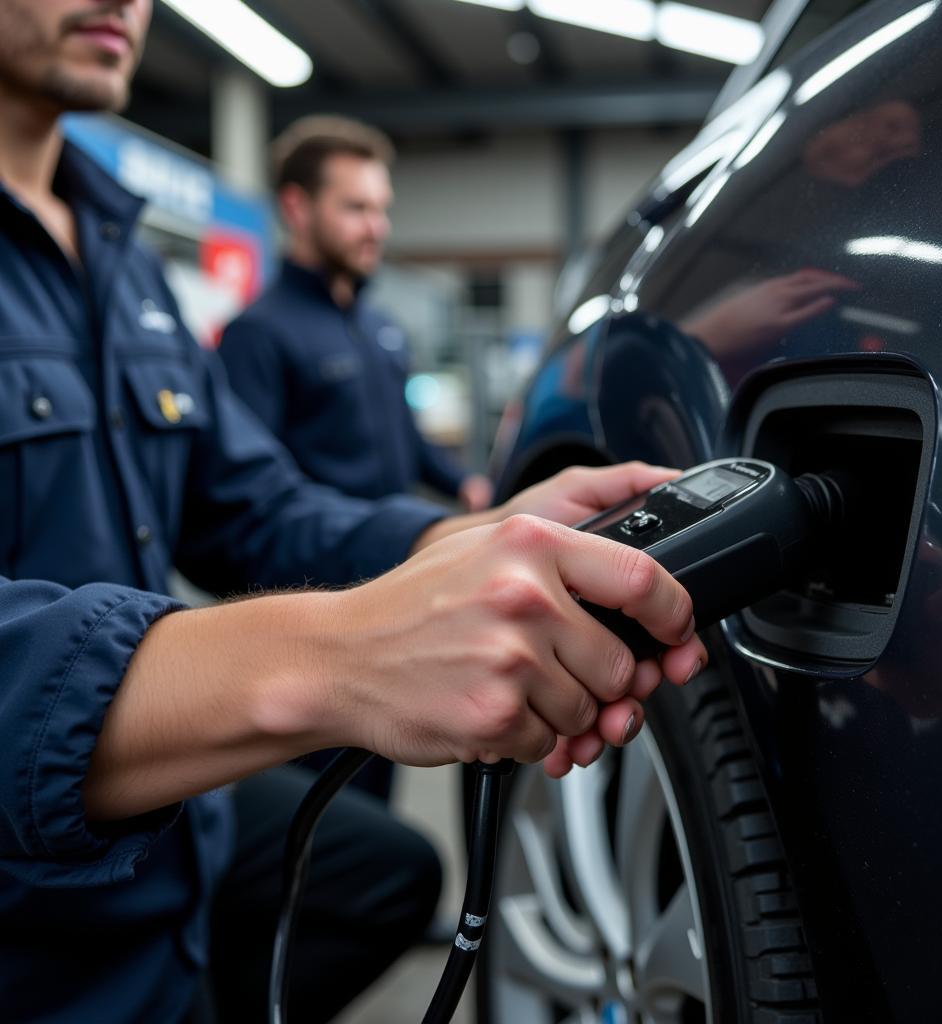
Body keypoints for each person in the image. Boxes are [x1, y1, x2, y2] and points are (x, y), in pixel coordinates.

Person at [0, 2, 709, 1022]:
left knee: (377, 872)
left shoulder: (120, 259)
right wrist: (340, 654)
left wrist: (468, 535)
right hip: (30, 890)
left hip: (170, 852)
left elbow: (253, 504)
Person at [218, 115, 493, 514]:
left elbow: (405, 438)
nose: (377, 228)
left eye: (382, 209)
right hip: (327, 570)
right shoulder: (256, 335)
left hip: (398, 552)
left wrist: (466, 484)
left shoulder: (380, 328)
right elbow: (256, 492)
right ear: (296, 207)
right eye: (356, 208)